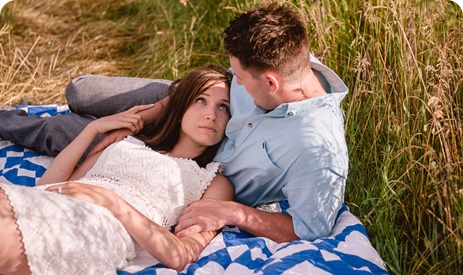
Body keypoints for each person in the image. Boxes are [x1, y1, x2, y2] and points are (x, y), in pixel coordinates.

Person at [0, 3, 348, 243]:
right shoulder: (284, 56)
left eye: (241, 78)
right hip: (187, 102)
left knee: (58, 132)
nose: (237, 81)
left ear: (271, 83)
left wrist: (235, 213)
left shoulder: (317, 151)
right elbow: (222, 83)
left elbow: (308, 229)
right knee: (80, 91)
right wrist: (145, 117)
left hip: (189, 156)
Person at [0, 66, 234, 275]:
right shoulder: (125, 143)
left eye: (223, 106)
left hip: (94, 230)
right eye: (200, 100)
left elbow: (181, 255)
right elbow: (50, 186)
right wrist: (94, 129)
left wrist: (113, 203)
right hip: (49, 205)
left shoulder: (214, 181)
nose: (211, 114)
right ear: (180, 107)